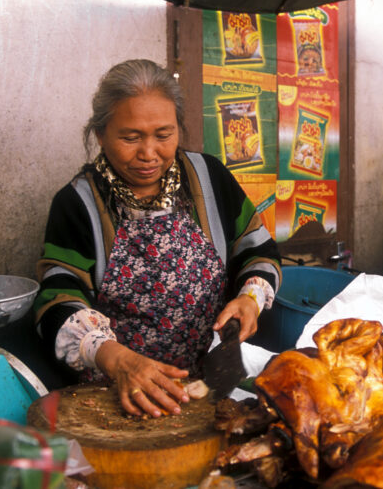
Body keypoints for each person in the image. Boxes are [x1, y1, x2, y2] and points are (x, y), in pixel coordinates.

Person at [33, 59, 281, 417]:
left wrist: (251, 299)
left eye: (163, 135)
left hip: (205, 388)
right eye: (130, 138)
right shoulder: (77, 205)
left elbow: (257, 250)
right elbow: (56, 298)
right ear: (101, 134)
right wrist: (117, 361)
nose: (149, 154)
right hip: (118, 394)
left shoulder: (209, 179)